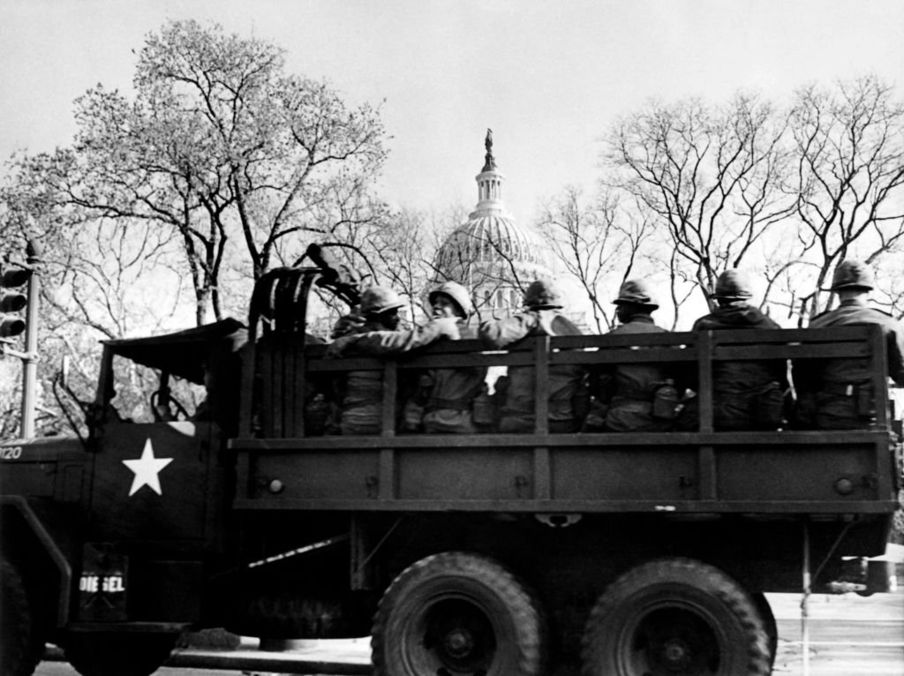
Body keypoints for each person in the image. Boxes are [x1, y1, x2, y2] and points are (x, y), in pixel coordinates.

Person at [327, 285, 459, 435]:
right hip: (378, 421)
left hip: (353, 419)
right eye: (392, 313)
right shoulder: (372, 340)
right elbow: (399, 341)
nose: (397, 318)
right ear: (378, 315)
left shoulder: (350, 339)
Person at [799, 260, 904, 429]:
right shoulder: (888, 324)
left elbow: (804, 379)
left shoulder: (817, 326)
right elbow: (902, 374)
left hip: (827, 418)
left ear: (838, 291)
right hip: (872, 419)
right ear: (868, 290)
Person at [685, 269, 787, 431]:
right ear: (747, 296)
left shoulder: (702, 326)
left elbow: (689, 377)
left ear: (719, 298)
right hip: (760, 415)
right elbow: (781, 375)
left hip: (713, 415)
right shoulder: (769, 327)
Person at [479, 279, 585, 433]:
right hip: (563, 420)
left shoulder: (532, 318)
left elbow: (492, 334)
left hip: (523, 419)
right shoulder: (573, 329)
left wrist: (487, 323)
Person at [592, 279, 678, 432]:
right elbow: (682, 379)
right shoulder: (667, 338)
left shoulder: (612, 338)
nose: (618, 309)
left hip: (619, 419)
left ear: (631, 307)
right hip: (660, 419)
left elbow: (596, 382)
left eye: (621, 304)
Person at [416, 281, 487, 434]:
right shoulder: (438, 340)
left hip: (455, 421)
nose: (436, 306)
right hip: (436, 420)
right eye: (435, 303)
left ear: (458, 311)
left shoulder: (465, 336)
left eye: (444, 303)